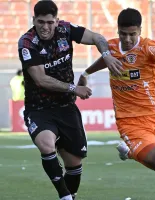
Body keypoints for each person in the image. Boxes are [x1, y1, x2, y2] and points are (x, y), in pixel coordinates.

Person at [78, 8, 155, 199]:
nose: (128, 39)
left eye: (132, 34)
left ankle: (131, 152)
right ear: (118, 31)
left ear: (140, 31)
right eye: (123, 34)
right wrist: (85, 74)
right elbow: (104, 61)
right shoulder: (111, 48)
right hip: (129, 120)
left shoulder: (148, 47)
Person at [17, 1, 122, 200]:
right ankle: (65, 196)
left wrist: (106, 55)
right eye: (40, 22)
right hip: (39, 108)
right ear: (34, 20)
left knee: (74, 164)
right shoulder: (27, 42)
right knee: (46, 144)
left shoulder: (66, 30)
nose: (45, 27)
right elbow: (40, 79)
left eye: (50, 22)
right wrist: (75, 88)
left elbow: (98, 38)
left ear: (56, 21)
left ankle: (69, 196)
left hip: (66, 107)